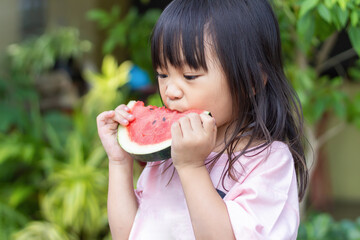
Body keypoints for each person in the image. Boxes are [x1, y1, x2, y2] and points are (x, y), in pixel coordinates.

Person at [96, 0, 309, 239]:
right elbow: (127, 235)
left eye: (189, 75)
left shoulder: (267, 162)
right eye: (162, 74)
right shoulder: (165, 158)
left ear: (252, 81)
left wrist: (191, 166)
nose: (171, 91)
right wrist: (119, 162)